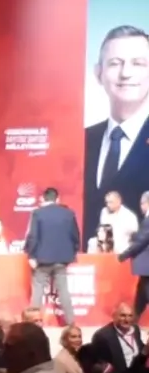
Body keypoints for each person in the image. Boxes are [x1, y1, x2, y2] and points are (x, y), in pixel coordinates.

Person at [83, 25, 149, 243]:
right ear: (98, 73)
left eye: (138, 63)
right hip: (88, 260)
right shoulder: (82, 140)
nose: (126, 73)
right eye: (115, 63)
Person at [24, 187, 81, 322]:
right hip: (62, 260)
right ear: (57, 199)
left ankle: (32, 324)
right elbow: (75, 236)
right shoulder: (68, 213)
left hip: (42, 260)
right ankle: (71, 323)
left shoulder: (38, 213)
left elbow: (33, 236)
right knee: (64, 291)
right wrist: (73, 252)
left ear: (44, 198)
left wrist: (30, 255)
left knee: (38, 292)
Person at [119, 191, 149, 322]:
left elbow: (142, 241)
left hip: (147, 264)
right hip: (146, 266)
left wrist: (125, 254)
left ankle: (133, 320)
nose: (141, 207)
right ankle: (133, 320)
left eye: (142, 203)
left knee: (145, 291)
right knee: (141, 294)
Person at [90, 303, 144, 373]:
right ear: (113, 316)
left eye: (130, 316)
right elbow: (100, 365)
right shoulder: (102, 336)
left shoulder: (135, 329)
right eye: (123, 315)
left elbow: (140, 349)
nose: (127, 319)